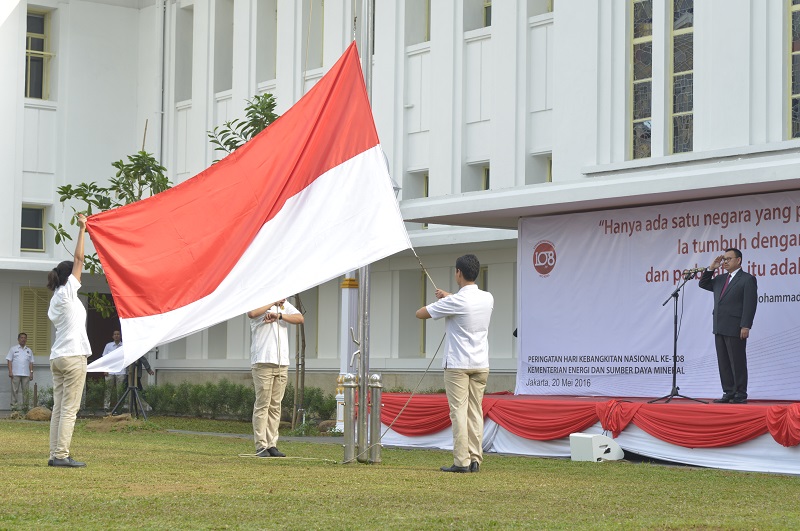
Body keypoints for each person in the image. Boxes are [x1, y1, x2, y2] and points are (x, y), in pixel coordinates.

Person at [415, 254, 493, 473]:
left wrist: (443, 300)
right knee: (475, 411)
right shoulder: (487, 298)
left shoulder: (455, 301)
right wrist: (447, 298)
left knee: (458, 412)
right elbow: (465, 301)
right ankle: (476, 459)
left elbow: (420, 314)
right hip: (480, 363)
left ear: (458, 272)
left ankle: (461, 461)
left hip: (458, 364)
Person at [46, 213, 91, 468]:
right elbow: (79, 258)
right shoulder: (68, 291)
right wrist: (83, 229)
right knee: (69, 410)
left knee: (59, 409)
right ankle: (62, 455)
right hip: (73, 357)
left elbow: (75, 263)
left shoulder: (57, 299)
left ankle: (55, 454)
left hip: (57, 357)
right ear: (68, 277)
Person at [698, 248, 758, 404]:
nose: (725, 262)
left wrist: (746, 326)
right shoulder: (720, 279)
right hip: (719, 325)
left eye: (728, 259)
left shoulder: (747, 279)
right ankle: (728, 392)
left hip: (736, 326)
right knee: (723, 361)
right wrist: (712, 268)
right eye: (724, 259)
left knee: (737, 361)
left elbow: (750, 304)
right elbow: (703, 284)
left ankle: (740, 393)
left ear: (738, 260)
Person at [248, 298, 304, 458]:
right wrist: (272, 303)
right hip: (262, 361)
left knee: (275, 405)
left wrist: (279, 316)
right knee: (262, 404)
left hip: (282, 362)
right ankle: (260, 445)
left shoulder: (284, 305)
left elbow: (300, 318)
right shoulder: (261, 302)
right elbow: (251, 313)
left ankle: (272, 444)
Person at [6, 333, 34, 410]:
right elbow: (9, 361)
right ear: (18, 339)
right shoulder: (13, 349)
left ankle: (25, 408)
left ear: (26, 339)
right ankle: (14, 408)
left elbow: (31, 362)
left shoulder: (29, 350)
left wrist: (31, 372)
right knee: (14, 391)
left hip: (26, 374)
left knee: (26, 392)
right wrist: (10, 371)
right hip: (15, 374)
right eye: (21, 337)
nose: (23, 339)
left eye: (25, 338)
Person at [102, 330, 125, 410]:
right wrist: (105, 369)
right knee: (108, 389)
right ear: (112, 336)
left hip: (121, 371)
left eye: (118, 334)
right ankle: (106, 406)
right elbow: (104, 358)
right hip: (110, 370)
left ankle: (119, 406)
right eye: (115, 334)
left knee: (120, 390)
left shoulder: (124, 346)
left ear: (120, 336)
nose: (116, 336)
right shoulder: (108, 346)